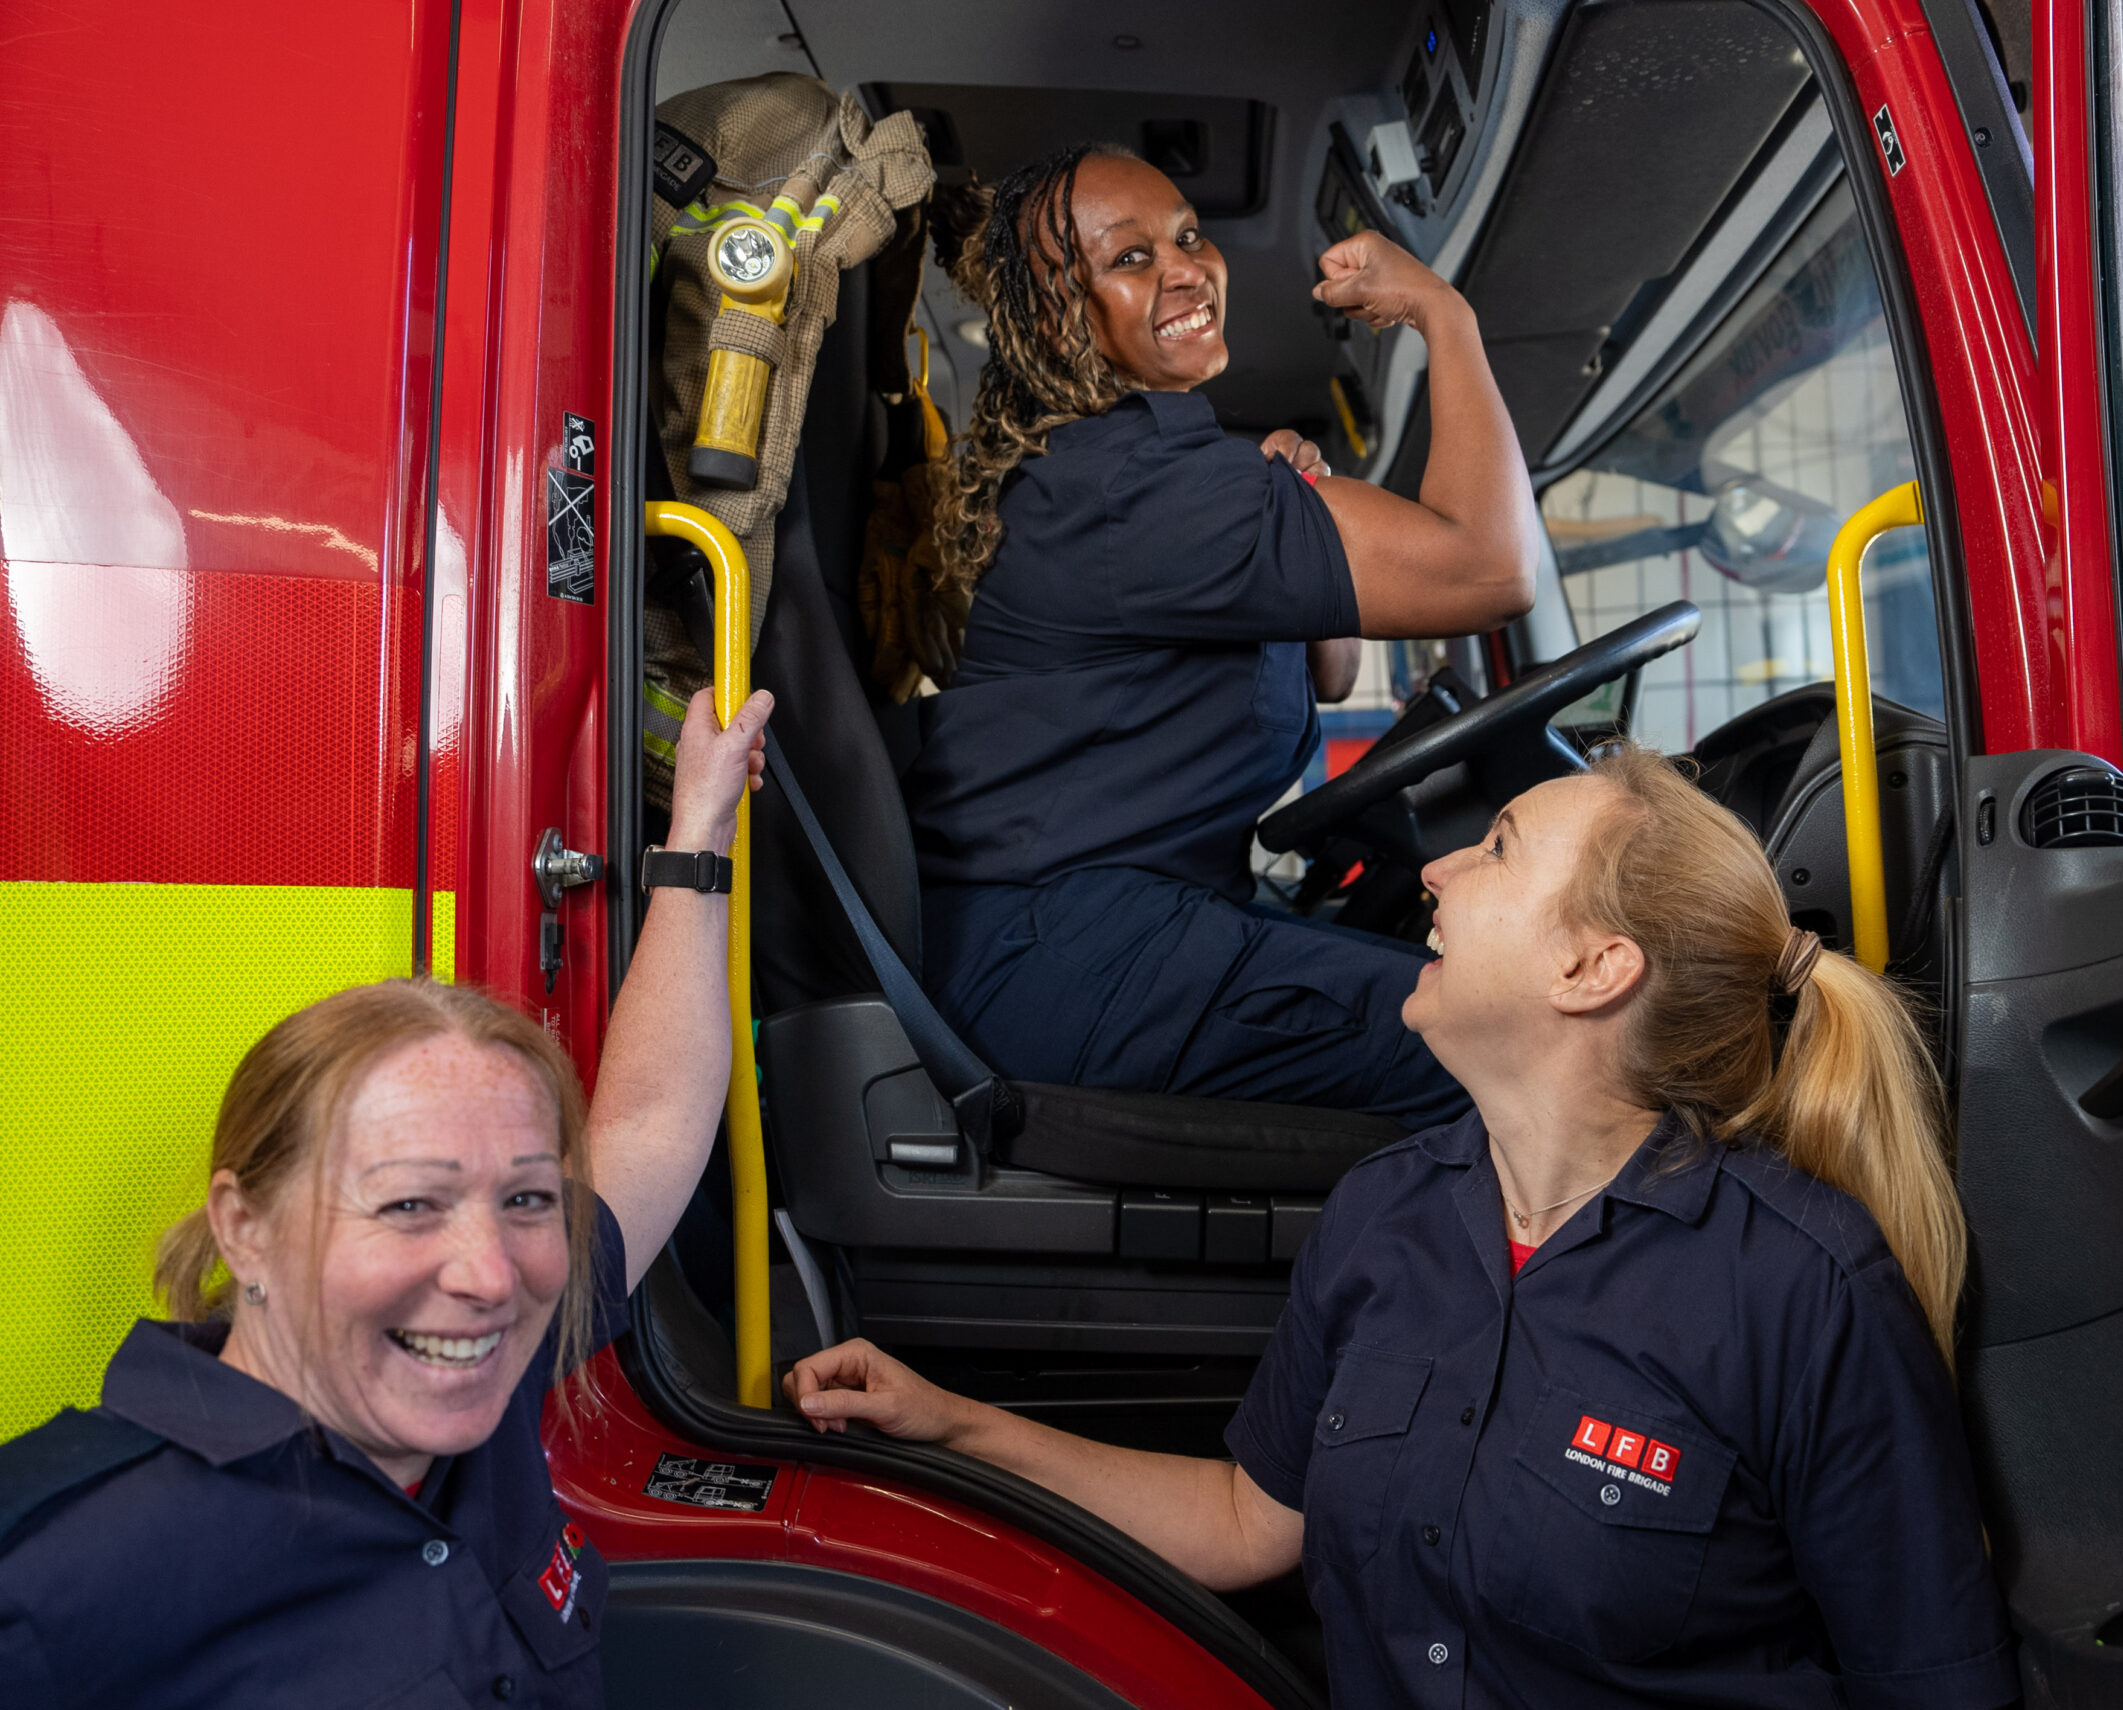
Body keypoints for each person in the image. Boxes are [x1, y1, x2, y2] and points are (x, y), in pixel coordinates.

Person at [784, 750, 2021, 1708]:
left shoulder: (1802, 1287)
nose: (1434, 872)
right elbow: (1243, 1520)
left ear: (1594, 970)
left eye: (1493, 850)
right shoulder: (1386, 1215)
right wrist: (949, 1423)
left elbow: (1929, 1683)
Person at [0, 687, 776, 1710]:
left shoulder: (473, 1378)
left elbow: (650, 1120)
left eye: (528, 1200)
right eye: (410, 1205)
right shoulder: (52, 1576)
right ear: (246, 1231)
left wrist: (700, 826)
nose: (491, 1273)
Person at [902, 142, 1542, 1128]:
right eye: (1131, 258)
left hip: (1086, 942)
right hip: (1078, 962)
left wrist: (1303, 505)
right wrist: (1440, 316)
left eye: (1188, 237)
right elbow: (1495, 569)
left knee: (1468, 1013)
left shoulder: (1123, 472)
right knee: (1521, 1049)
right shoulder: (1143, 489)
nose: (1186, 269)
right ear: (1059, 313)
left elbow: (1331, 674)